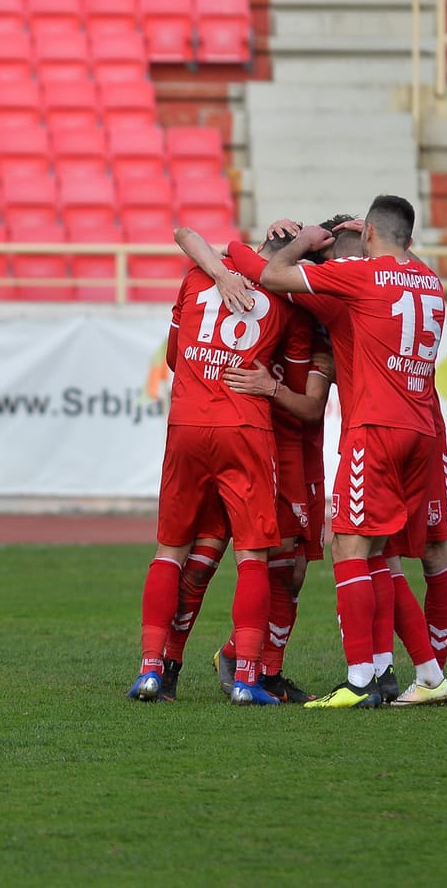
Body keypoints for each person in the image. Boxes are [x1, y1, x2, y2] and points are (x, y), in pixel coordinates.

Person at [228, 195, 447, 709]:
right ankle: (421, 673)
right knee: (382, 556)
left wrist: (300, 242)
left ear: (368, 235)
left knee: (347, 548)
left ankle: (358, 682)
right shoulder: (430, 282)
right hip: (421, 430)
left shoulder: (360, 279)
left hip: (375, 429)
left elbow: (270, 275)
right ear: (408, 241)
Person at [127, 228, 313, 706]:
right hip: (245, 431)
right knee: (252, 557)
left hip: (187, 425)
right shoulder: (289, 307)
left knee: (171, 551)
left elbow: (172, 356)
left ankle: (152, 670)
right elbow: (295, 389)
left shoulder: (195, 280)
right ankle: (247, 677)